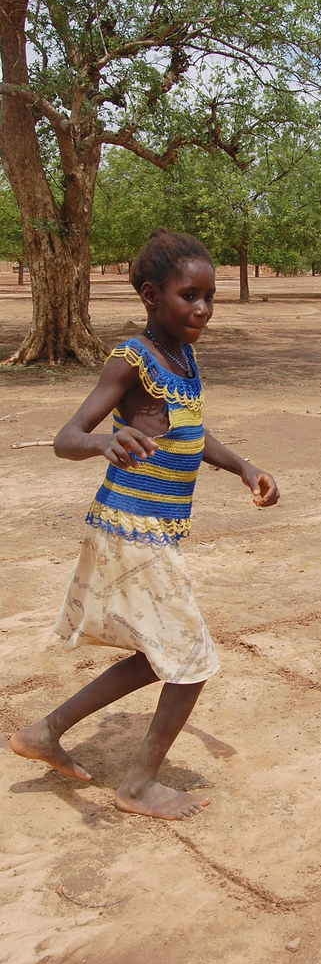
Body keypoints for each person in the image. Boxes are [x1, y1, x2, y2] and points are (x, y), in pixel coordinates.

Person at [10, 228, 279, 820]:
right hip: (130, 527)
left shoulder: (183, 357)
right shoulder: (131, 359)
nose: (203, 309)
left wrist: (242, 465)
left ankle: (44, 732)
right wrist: (105, 441)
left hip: (153, 529)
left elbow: (189, 433)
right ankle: (138, 785)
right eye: (190, 296)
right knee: (190, 661)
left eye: (210, 297)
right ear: (152, 295)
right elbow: (66, 439)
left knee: (159, 654)